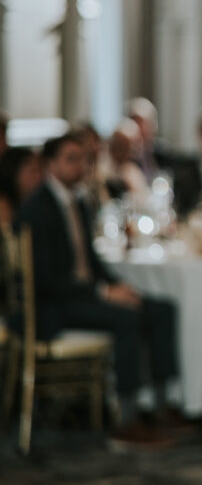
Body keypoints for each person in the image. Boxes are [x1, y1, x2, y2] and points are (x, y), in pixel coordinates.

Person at [15, 134, 180, 445]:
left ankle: (161, 405)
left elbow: (90, 260)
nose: (81, 166)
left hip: (80, 295)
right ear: (51, 164)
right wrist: (103, 294)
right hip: (51, 307)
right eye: (71, 159)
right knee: (126, 318)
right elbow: (46, 281)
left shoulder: (77, 201)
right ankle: (127, 419)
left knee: (160, 308)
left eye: (84, 159)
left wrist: (118, 286)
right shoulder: (37, 209)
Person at [0, 146, 43, 228]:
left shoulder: (37, 202)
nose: (39, 177)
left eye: (40, 171)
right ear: (13, 172)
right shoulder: (3, 206)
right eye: (33, 171)